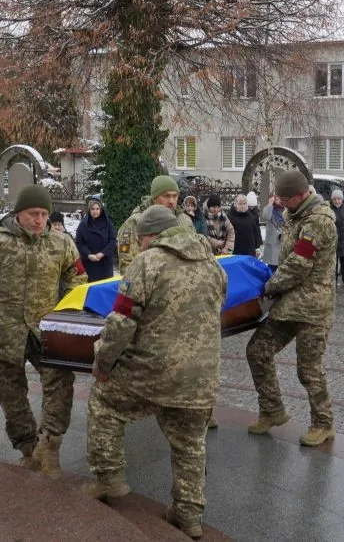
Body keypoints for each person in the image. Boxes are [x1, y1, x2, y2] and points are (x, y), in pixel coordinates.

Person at [82, 205, 227, 540]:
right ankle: (188, 514)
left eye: (142, 238)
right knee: (190, 441)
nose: (141, 244)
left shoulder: (146, 263)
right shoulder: (213, 265)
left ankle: (109, 479)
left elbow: (120, 322)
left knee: (104, 404)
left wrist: (102, 363)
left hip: (150, 372)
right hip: (201, 378)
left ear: (151, 235)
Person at [0, 186, 87, 479]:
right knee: (10, 392)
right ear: (19, 213)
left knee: (60, 384)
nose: (39, 220)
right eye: (33, 213)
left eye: (44, 214)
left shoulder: (61, 243)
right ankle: (29, 449)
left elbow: (77, 277)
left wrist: (68, 312)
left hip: (47, 330)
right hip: (6, 332)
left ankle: (49, 446)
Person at [246, 170, 337, 447]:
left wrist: (268, 286)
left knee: (308, 369)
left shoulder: (318, 222)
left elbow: (299, 264)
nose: (282, 203)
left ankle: (323, 424)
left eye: (286, 198)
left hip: (312, 309)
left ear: (302, 194)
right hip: (288, 305)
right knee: (258, 350)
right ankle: (273, 410)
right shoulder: (294, 214)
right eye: (280, 197)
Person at [116, 175, 193, 273]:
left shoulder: (184, 220)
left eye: (175, 196)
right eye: (166, 196)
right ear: (154, 198)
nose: (171, 201)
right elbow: (127, 265)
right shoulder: (136, 222)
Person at [75, 198, 117, 283]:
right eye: (93, 209)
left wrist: (103, 253)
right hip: (90, 264)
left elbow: (112, 240)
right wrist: (88, 254)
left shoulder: (107, 223)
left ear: (101, 210)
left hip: (105, 264)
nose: (95, 211)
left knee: (105, 287)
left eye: (97, 209)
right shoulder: (83, 225)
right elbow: (79, 243)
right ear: (89, 210)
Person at [260, 193, 285, 273]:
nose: (279, 201)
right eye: (277, 199)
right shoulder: (269, 209)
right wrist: (270, 204)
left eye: (280, 199)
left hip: (282, 243)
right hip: (273, 245)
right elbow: (266, 216)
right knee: (272, 268)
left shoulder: (285, 210)